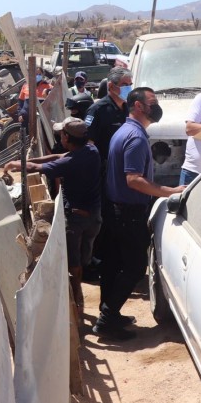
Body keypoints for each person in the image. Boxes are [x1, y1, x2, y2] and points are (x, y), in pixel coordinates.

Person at [93, 87, 185, 340]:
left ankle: (108, 312)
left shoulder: (124, 131)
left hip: (116, 209)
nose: (156, 106)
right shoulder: (135, 138)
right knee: (134, 267)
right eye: (152, 102)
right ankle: (107, 319)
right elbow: (134, 179)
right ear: (138, 106)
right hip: (128, 213)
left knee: (113, 264)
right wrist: (168, 191)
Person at [4, 117, 101, 315]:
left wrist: (17, 165)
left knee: (73, 265)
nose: (59, 137)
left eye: (61, 134)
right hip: (94, 217)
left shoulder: (70, 163)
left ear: (67, 137)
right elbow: (57, 157)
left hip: (75, 220)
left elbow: (40, 168)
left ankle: (78, 304)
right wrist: (26, 160)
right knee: (84, 259)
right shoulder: (91, 151)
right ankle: (81, 289)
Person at [83, 67, 131, 288]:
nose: (129, 87)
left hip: (125, 173)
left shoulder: (128, 108)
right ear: (112, 86)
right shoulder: (98, 109)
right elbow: (89, 144)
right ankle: (97, 261)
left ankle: (116, 258)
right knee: (102, 216)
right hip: (103, 173)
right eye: (125, 83)